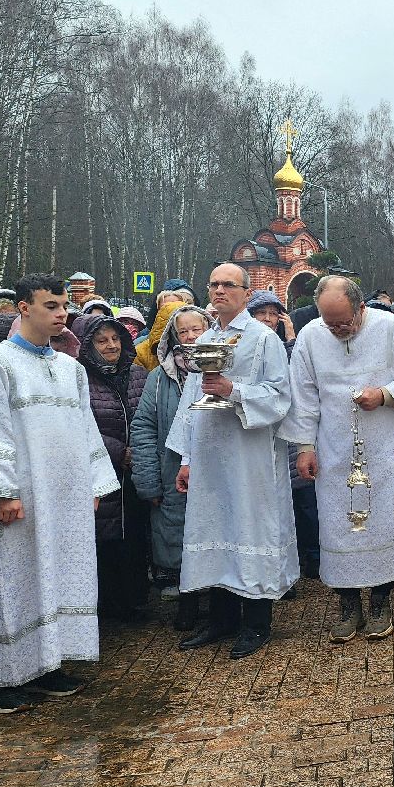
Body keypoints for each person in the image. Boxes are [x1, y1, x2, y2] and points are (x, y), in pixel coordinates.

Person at [0, 273, 119, 714]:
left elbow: (87, 430)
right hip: (19, 499)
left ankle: (50, 664)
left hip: (65, 497)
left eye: (64, 305)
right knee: (11, 579)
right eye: (50, 305)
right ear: (24, 307)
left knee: (60, 574)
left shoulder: (71, 369)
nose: (61, 313)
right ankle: (3, 676)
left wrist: (92, 481)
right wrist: (2, 492)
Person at [168, 263, 297, 660]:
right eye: (214, 284)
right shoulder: (205, 339)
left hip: (249, 453)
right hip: (209, 453)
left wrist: (233, 389)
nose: (220, 291)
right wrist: (186, 458)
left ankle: (256, 622)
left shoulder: (263, 339)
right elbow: (191, 403)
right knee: (214, 523)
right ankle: (221, 618)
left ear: (245, 293)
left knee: (250, 525)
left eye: (229, 285)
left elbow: (279, 395)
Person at [283, 277, 394, 641]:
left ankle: (381, 602)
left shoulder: (391, 328)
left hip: (384, 445)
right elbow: (304, 396)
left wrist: (385, 394)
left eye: (345, 322)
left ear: (361, 307)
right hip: (334, 449)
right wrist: (304, 447)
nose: (339, 330)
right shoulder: (311, 337)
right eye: (331, 323)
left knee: (383, 519)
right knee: (338, 522)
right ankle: (347, 604)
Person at [131, 305, 209, 629]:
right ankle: (188, 607)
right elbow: (144, 427)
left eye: (197, 329)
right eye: (184, 331)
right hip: (173, 474)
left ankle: (219, 605)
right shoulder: (159, 379)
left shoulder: (224, 370)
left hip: (216, 472)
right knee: (179, 539)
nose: (190, 336)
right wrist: (149, 481)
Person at [74, 313, 150, 621]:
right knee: (103, 539)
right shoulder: (80, 377)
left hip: (134, 473)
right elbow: (80, 423)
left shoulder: (137, 375)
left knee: (133, 535)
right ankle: (106, 604)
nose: (111, 346)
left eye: (115, 339)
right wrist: (119, 451)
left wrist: (141, 451)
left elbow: (147, 417)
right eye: (102, 340)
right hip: (99, 471)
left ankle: (133, 601)